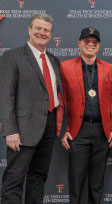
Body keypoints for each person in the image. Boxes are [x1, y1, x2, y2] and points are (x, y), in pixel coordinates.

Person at [0, 13, 67, 203]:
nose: (41, 32)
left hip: (49, 126)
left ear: (51, 35)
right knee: (14, 179)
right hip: (22, 130)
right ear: (29, 30)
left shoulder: (54, 60)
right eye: (37, 28)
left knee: (38, 177)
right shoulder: (12, 56)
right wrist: (10, 130)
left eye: (46, 30)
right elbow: (6, 96)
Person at [60, 27, 112, 204]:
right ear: (79, 43)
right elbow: (61, 101)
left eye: (94, 42)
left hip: (102, 130)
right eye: (87, 41)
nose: (90, 44)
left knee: (97, 183)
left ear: (99, 46)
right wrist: (65, 129)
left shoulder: (109, 69)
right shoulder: (65, 67)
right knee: (76, 181)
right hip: (78, 131)